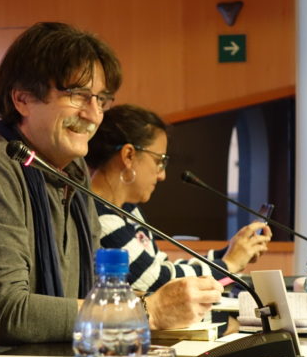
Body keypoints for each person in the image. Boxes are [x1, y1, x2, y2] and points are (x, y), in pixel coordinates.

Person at [0, 22, 223, 352]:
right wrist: (145, 311)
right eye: (77, 95)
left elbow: (94, 292)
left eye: (101, 99)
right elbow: (7, 312)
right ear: (22, 99)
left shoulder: (73, 174)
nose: (93, 114)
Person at [85, 104, 272, 293]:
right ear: (128, 155)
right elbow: (158, 282)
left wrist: (232, 252)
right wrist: (229, 265)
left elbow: (160, 267)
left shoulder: (127, 209)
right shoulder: (99, 215)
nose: (162, 175)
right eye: (159, 161)